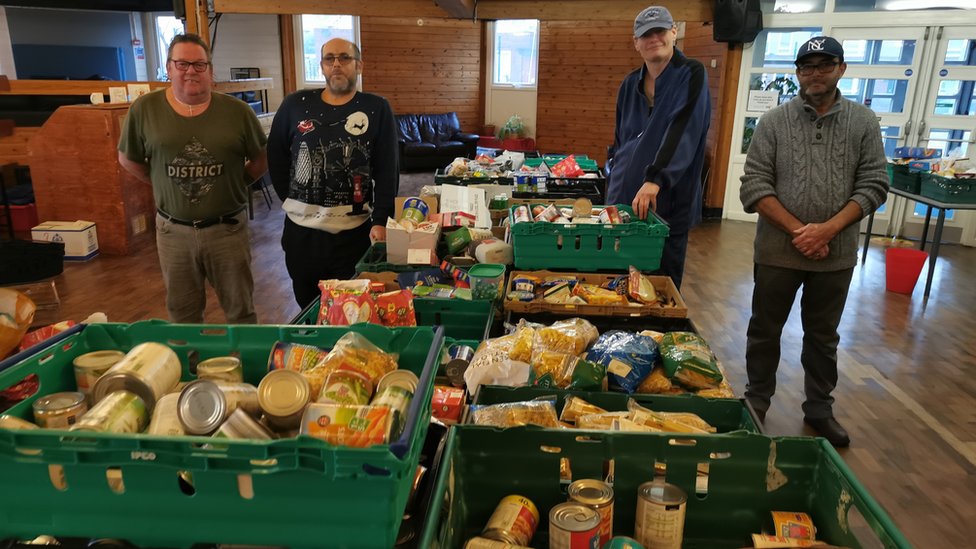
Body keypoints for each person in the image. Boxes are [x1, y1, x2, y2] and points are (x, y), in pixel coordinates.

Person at [739, 36, 889, 447]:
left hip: (835, 255)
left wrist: (827, 231)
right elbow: (753, 186)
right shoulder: (773, 123)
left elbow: (875, 184)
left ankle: (819, 409)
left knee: (823, 338)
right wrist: (801, 233)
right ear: (798, 74)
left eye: (825, 65)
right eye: (807, 67)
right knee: (764, 331)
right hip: (777, 253)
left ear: (841, 68)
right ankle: (756, 403)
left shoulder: (863, 122)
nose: (815, 73)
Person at [118, 33, 268, 324]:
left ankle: (247, 369)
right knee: (182, 314)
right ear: (169, 67)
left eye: (200, 64)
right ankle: (189, 370)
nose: (191, 71)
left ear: (210, 71)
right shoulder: (144, 110)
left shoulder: (237, 111)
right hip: (174, 233)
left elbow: (261, 160)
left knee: (241, 311)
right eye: (182, 63)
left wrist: (233, 185)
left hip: (227, 230)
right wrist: (164, 184)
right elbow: (128, 159)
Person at [268, 38, 398, 308]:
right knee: (309, 308)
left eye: (344, 58)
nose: (336, 64)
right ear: (322, 66)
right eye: (330, 59)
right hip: (301, 237)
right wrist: (293, 200)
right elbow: (276, 157)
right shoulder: (295, 105)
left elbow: (387, 170)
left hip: (353, 236)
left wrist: (381, 219)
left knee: (352, 310)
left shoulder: (376, 108)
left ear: (358, 65)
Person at [606, 5, 711, 289]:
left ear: (674, 33)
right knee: (617, 281)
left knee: (661, 285)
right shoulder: (629, 84)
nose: (654, 38)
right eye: (646, 34)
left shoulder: (692, 74)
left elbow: (684, 130)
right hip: (624, 201)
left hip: (666, 204)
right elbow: (621, 141)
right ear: (636, 42)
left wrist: (655, 179)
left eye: (660, 31)